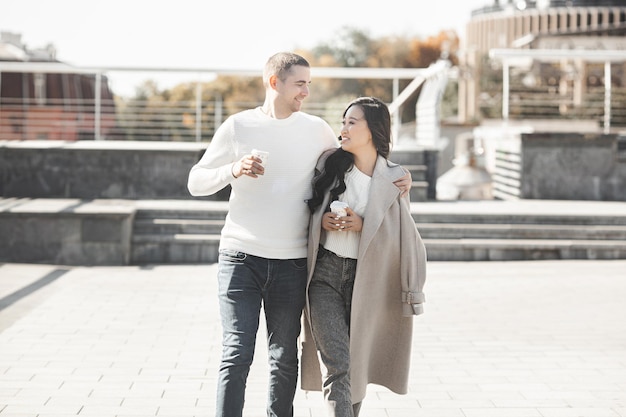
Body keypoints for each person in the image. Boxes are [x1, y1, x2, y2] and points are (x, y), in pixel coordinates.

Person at [187, 53, 412, 417]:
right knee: (237, 352)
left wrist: (403, 178)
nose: (307, 91)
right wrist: (233, 169)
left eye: (309, 83)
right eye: (300, 84)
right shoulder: (238, 127)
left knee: (284, 357)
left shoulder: (316, 130)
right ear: (275, 83)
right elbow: (195, 182)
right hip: (240, 256)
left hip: (292, 263)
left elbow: (359, 158)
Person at [300, 97, 427, 417]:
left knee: (355, 369)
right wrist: (322, 221)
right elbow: (305, 210)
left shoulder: (395, 178)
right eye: (343, 122)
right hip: (324, 276)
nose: (342, 129)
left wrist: (363, 224)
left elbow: (403, 239)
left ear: (373, 130)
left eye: (351, 122)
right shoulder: (328, 165)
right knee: (339, 366)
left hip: (367, 280)